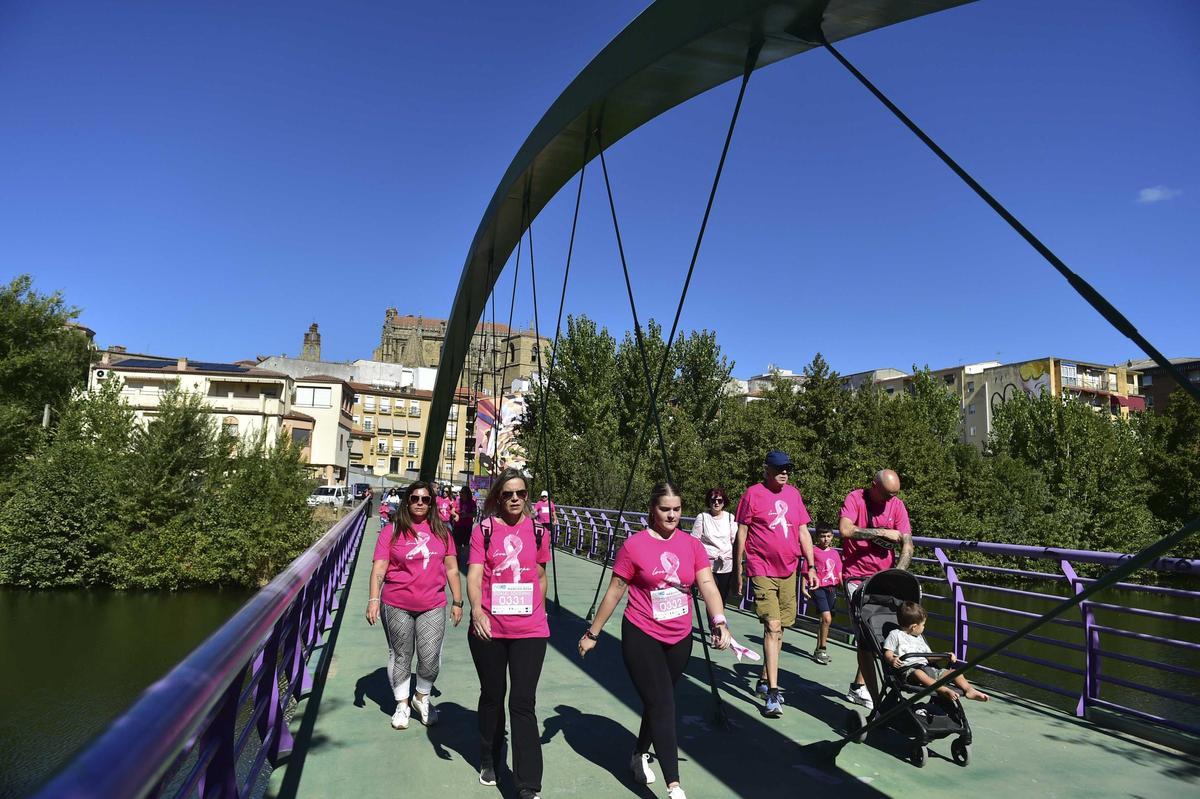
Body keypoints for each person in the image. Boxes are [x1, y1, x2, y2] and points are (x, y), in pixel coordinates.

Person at [579, 481, 730, 799]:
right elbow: (615, 590)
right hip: (641, 633)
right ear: (652, 509)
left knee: (656, 701)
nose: (672, 515)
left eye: (677, 509)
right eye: (665, 509)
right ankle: (674, 785)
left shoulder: (691, 545)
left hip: (680, 636)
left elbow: (707, 584)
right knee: (663, 702)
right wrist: (593, 633)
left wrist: (719, 621)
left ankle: (637, 754)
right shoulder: (634, 546)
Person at [467, 469, 551, 799]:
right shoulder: (483, 530)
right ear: (497, 497)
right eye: (507, 494)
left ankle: (528, 784)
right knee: (492, 695)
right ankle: (489, 757)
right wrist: (476, 610)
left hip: (530, 629)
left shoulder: (540, 531)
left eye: (520, 493)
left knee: (522, 702)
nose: (515, 499)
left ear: (527, 496)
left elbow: (540, 575)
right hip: (490, 627)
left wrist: (537, 608)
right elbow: (474, 576)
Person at [365, 481, 464, 730]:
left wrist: (458, 601)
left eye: (425, 499)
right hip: (396, 602)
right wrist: (373, 599)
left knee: (430, 657)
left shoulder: (442, 532)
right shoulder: (392, 531)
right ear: (407, 501)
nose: (420, 503)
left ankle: (422, 697)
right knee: (401, 655)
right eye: (415, 498)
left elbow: (452, 568)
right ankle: (402, 704)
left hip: (432, 602)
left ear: (431, 503)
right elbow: (379, 567)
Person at [734, 449, 817, 718]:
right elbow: (742, 532)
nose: (784, 473)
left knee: (780, 629)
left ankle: (762, 678)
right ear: (767, 470)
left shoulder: (793, 495)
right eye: (779, 469)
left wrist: (811, 567)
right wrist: (739, 568)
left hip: (789, 570)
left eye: (787, 469)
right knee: (772, 626)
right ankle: (772, 693)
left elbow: (803, 531)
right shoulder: (753, 494)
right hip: (761, 568)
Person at [839, 468, 914, 711]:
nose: (890, 500)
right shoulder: (855, 499)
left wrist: (899, 573)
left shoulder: (897, 506)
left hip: (884, 577)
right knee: (865, 635)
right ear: (874, 485)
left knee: (883, 632)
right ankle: (870, 693)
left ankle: (861, 686)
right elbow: (846, 530)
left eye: (894, 495)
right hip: (856, 576)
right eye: (886, 495)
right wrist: (882, 532)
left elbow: (907, 544)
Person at [884, 601, 988, 703]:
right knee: (919, 674)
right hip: (909, 671)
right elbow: (888, 652)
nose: (924, 627)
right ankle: (943, 690)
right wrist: (891, 659)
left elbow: (929, 657)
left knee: (954, 673)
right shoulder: (895, 634)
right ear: (914, 627)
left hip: (927, 669)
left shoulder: (919, 638)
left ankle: (969, 690)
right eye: (923, 625)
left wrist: (944, 656)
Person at [802, 527, 842, 665]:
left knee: (824, 620)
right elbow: (806, 570)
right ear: (817, 537)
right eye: (823, 536)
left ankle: (818, 648)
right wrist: (803, 587)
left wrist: (844, 589)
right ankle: (822, 650)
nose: (826, 539)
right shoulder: (812, 551)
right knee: (827, 618)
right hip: (818, 587)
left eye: (829, 536)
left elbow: (839, 572)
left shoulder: (835, 553)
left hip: (832, 588)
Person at [690, 487, 737, 603]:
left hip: (726, 564)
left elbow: (735, 541)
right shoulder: (702, 517)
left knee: (722, 597)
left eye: (719, 500)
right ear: (709, 502)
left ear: (724, 502)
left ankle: (720, 620)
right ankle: (713, 621)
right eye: (713, 500)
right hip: (707, 565)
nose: (716, 503)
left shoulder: (730, 518)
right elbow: (694, 541)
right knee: (711, 597)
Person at [454, 484, 477, 573]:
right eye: (460, 492)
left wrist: (467, 515)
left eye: (462, 492)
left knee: (466, 544)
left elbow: (474, 514)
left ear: (467, 493)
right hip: (458, 525)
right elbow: (452, 509)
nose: (460, 494)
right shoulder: (458, 501)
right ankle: (458, 559)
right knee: (458, 544)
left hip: (467, 526)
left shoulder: (472, 502)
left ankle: (468, 560)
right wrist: (455, 515)